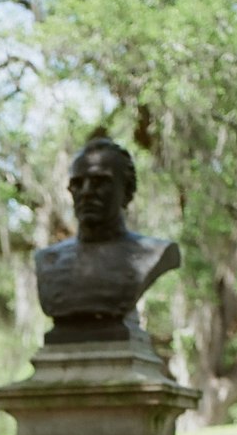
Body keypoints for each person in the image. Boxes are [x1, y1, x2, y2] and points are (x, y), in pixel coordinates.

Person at [34, 137, 180, 341]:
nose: (86, 192)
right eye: (77, 184)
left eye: (100, 182)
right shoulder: (48, 260)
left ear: (127, 191)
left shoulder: (152, 252)